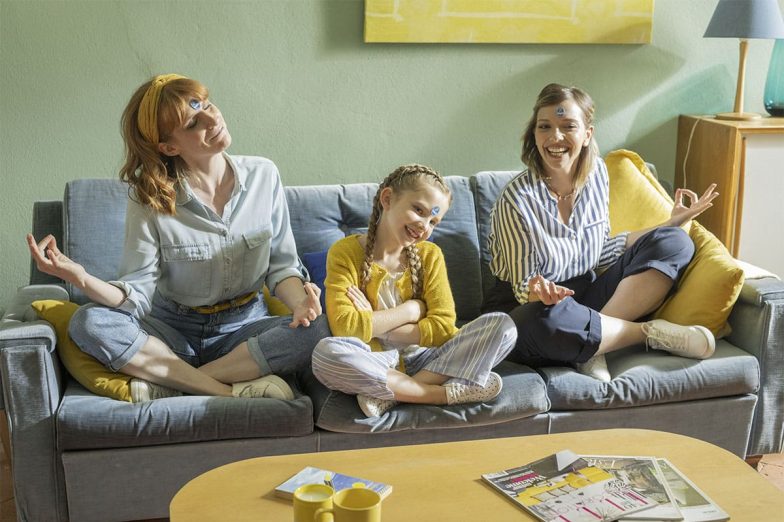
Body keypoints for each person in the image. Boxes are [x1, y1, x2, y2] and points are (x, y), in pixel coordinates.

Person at [27, 74, 330, 402]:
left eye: (207, 105)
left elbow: (282, 267)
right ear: (169, 146)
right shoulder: (149, 198)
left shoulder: (264, 174)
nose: (212, 119)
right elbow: (136, 294)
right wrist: (82, 278)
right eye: (192, 122)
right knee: (88, 322)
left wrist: (302, 305)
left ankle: (174, 383)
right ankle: (227, 391)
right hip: (171, 334)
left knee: (320, 329)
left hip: (245, 332)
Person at [484, 83, 719, 382]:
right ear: (535, 134)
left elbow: (601, 252)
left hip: (586, 296)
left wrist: (671, 223)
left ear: (587, 135)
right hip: (531, 306)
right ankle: (646, 334)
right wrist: (540, 291)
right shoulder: (515, 200)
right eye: (545, 127)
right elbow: (522, 286)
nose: (555, 137)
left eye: (568, 125)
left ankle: (595, 345)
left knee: (675, 242)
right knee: (535, 323)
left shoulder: (598, 175)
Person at [312, 164, 517, 418]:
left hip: (428, 360)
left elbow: (443, 328)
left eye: (433, 221)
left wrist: (375, 322)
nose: (424, 226)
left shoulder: (431, 256)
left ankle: (396, 394)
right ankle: (438, 394)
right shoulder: (345, 252)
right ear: (387, 199)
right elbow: (345, 327)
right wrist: (412, 310)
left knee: (504, 326)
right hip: (375, 360)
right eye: (418, 210)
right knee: (326, 354)